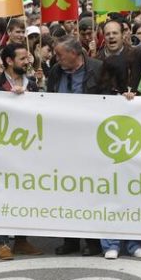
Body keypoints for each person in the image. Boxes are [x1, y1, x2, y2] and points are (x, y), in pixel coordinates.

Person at [0, 43, 42, 260]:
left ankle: (21, 240)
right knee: (1, 193)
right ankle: (2, 242)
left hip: (27, 148)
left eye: (28, 58)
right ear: (9, 61)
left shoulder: (32, 84)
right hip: (2, 149)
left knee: (25, 193)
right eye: (23, 58)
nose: (28, 62)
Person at [48, 36, 104, 257]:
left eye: (60, 54)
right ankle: (69, 239)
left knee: (89, 191)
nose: (57, 58)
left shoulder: (98, 69)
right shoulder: (55, 72)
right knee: (66, 190)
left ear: (74, 53)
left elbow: (109, 99)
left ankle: (93, 241)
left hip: (90, 139)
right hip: (63, 141)